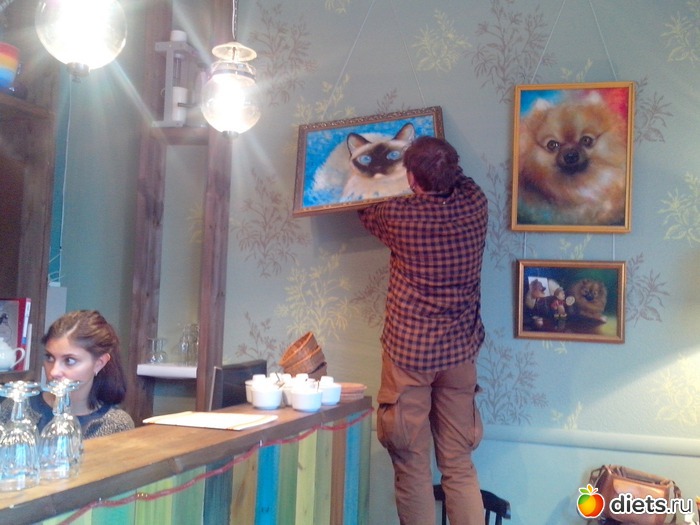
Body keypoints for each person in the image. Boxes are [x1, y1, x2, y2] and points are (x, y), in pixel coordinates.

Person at [357, 136, 488, 525]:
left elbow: (362, 208)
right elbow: (459, 179)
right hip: (459, 355)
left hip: (409, 358)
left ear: (412, 179)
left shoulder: (399, 217)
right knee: (458, 464)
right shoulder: (476, 204)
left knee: (412, 464)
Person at [0, 310, 134, 438]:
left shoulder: (116, 425)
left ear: (99, 363)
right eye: (50, 357)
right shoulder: (15, 407)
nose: (54, 371)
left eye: (69, 360)